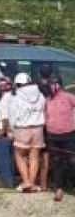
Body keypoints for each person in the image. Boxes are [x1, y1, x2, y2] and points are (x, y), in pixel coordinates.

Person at [7, 72, 47, 193]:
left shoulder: (16, 98)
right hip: (38, 128)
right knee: (34, 156)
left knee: (19, 154)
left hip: (22, 128)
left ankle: (26, 181)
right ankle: (32, 182)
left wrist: (11, 130)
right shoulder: (40, 95)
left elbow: (13, 115)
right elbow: (44, 109)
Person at [45, 74, 75, 203]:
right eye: (51, 84)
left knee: (71, 161)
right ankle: (59, 188)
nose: (53, 86)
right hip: (52, 135)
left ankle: (70, 186)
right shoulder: (47, 100)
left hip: (68, 134)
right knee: (56, 162)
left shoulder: (69, 97)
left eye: (55, 83)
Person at [0, 76, 18, 189]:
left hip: (3, 133)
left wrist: (2, 132)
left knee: (2, 160)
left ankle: (5, 183)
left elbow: (5, 118)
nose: (2, 88)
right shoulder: (15, 97)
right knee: (9, 159)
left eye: (4, 85)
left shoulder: (4, 99)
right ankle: (9, 181)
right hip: (13, 132)